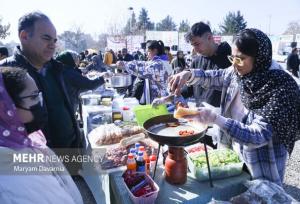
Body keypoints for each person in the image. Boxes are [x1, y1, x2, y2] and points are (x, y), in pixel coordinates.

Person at [169, 28, 300, 186]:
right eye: (233, 58)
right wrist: (189, 74)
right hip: (233, 158)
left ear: (259, 58)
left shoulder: (280, 86)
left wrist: (216, 119)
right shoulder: (237, 73)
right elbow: (215, 76)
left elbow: (258, 135)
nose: (235, 65)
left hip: (260, 164)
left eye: (241, 59)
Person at [0, 67, 83, 204]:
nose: (40, 104)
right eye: (33, 97)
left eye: (39, 96)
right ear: (5, 108)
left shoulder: (27, 142)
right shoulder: (10, 181)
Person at [0, 11, 82, 149]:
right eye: (46, 38)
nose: (53, 45)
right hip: (33, 162)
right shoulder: (5, 75)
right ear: (24, 36)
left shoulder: (55, 68)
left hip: (71, 154)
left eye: (54, 40)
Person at [184, 21, 232, 107]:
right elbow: (188, 90)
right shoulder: (196, 61)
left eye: (197, 44)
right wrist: (171, 97)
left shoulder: (230, 58)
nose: (195, 49)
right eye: (193, 45)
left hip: (223, 118)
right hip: (199, 115)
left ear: (209, 37)